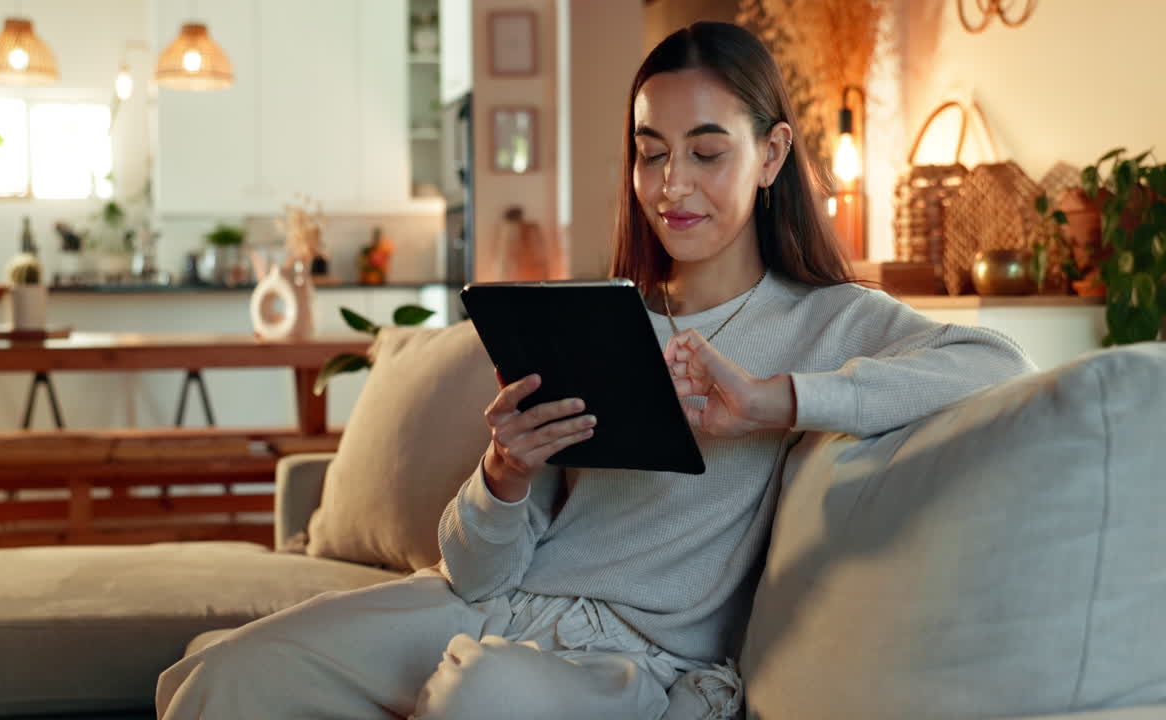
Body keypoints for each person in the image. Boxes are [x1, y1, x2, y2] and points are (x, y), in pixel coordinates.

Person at [155, 22, 1034, 720]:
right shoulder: (607, 322)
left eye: (705, 150)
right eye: (651, 152)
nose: (671, 185)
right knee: (225, 677)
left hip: (636, 661)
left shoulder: (828, 317)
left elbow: (996, 361)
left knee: (482, 699)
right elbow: (474, 575)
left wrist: (779, 401)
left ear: (770, 157)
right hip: (493, 614)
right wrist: (504, 475)